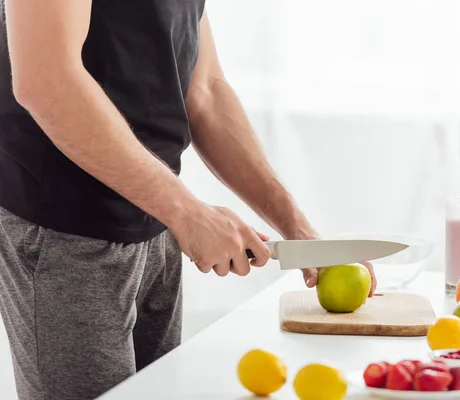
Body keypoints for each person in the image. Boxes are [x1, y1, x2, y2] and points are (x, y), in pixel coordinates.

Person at [0, 1, 377, 399]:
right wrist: (188, 213)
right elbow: (47, 80)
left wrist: (298, 231)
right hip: (66, 231)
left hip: (156, 220)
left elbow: (205, 92)